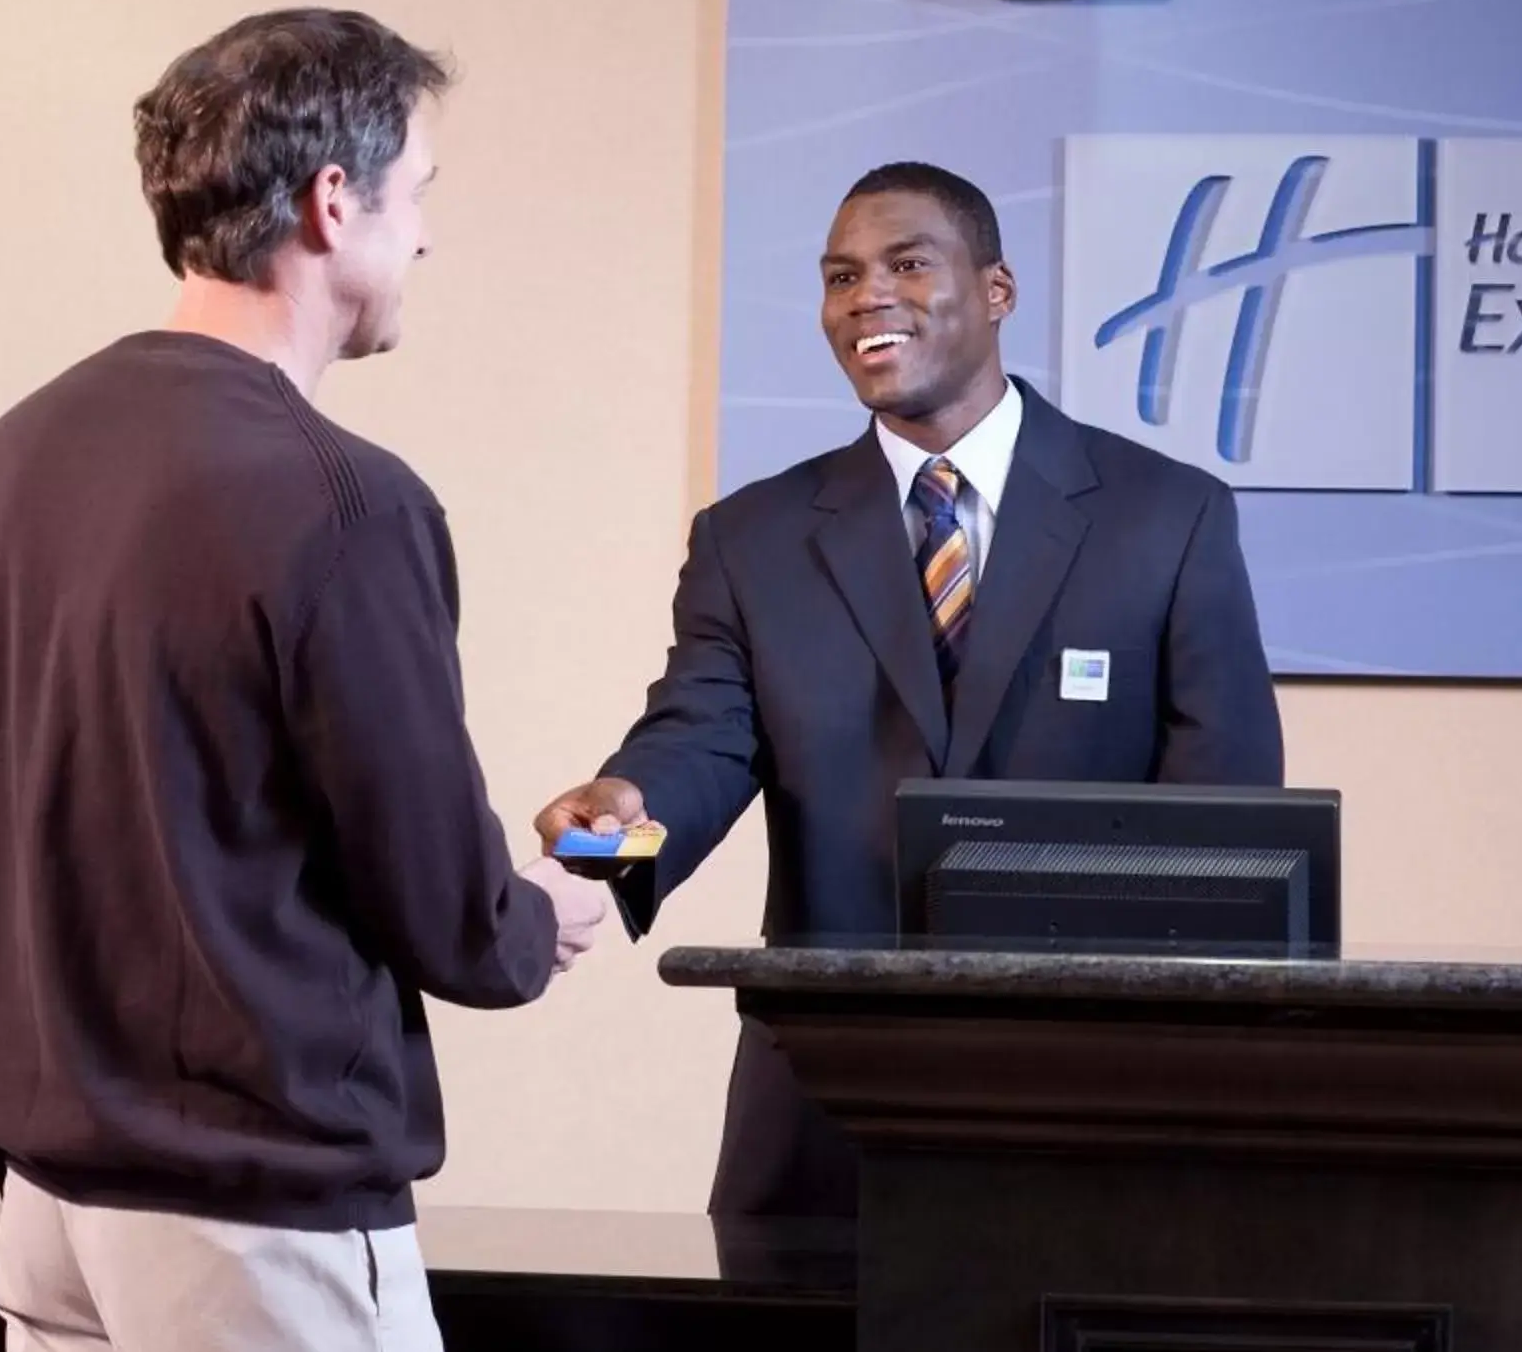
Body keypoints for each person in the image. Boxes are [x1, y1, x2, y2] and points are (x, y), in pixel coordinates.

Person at [0, 7, 608, 1352]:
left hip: (54, 1206)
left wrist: (27, 1127)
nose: (426, 242)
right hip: (258, 1226)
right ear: (335, 204)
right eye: (419, 196)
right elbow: (456, 917)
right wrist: (574, 889)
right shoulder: (342, 501)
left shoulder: (7, 463)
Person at [536, 161, 1282, 1218]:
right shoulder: (753, 539)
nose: (865, 297)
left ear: (996, 291)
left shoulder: (1168, 517)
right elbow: (693, 750)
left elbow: (1231, 829)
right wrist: (597, 847)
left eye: (906, 263)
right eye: (841, 277)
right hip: (831, 1101)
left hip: (1097, 1099)